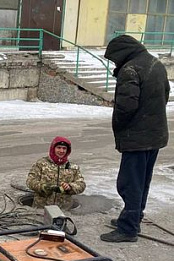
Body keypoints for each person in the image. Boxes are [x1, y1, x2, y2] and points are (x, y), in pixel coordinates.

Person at [100, 35, 170, 243]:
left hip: (137, 138)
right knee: (142, 181)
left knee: (129, 183)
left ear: (122, 53)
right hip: (155, 135)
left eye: (114, 59)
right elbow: (165, 94)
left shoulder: (130, 70)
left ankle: (128, 228)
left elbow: (125, 107)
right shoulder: (155, 63)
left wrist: (121, 127)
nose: (114, 63)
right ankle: (133, 217)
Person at [26, 136, 86, 211]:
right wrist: (43, 187)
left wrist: (70, 187)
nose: (61, 151)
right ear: (53, 148)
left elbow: (81, 184)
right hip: (41, 209)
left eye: (64, 148)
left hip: (64, 210)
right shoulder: (41, 164)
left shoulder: (73, 167)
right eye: (59, 147)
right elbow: (30, 181)